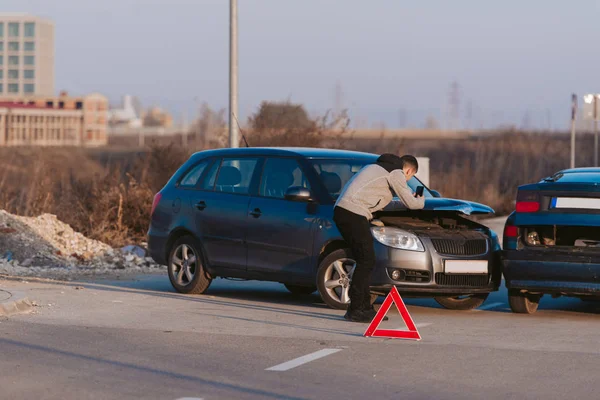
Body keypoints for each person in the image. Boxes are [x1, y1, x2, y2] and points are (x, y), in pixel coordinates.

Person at [333, 154, 425, 322]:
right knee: (367, 260)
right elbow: (413, 205)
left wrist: (402, 201)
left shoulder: (380, 169)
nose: (406, 180)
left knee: (365, 260)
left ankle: (362, 308)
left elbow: (381, 202)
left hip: (345, 212)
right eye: (410, 177)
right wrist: (420, 200)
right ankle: (357, 309)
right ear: (409, 170)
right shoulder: (396, 172)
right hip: (353, 213)